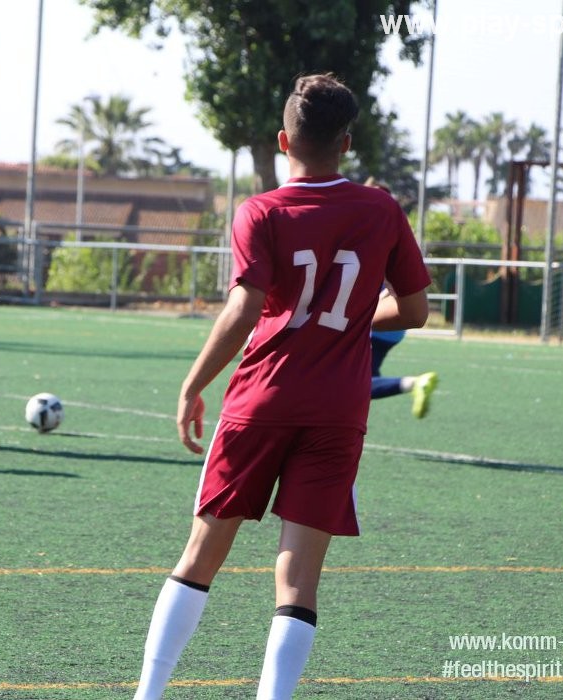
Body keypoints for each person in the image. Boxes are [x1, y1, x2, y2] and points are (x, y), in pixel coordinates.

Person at [132, 73, 431, 700]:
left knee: (200, 557)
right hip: (337, 411)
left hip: (260, 401)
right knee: (298, 583)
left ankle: (149, 694)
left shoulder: (260, 211)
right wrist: (353, 316)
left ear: (283, 140)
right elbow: (414, 310)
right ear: (345, 142)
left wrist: (192, 384)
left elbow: (245, 308)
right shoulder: (380, 209)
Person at [361, 179, 438, 419]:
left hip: (380, 317)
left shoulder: (372, 233)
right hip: (395, 323)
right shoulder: (394, 229)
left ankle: (413, 383)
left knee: (354, 382)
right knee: (360, 378)